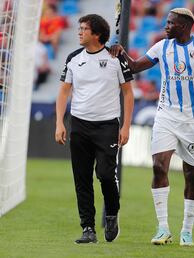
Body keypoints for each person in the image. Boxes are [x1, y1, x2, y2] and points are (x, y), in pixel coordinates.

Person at [111, 8, 194, 246]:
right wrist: (122, 54)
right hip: (165, 117)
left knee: (192, 174)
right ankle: (163, 228)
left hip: (193, 119)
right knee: (159, 166)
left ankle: (187, 231)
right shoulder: (162, 47)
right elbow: (136, 66)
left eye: (170, 23)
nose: (166, 26)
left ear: (184, 25)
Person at [55, 14, 134, 244]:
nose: (79, 32)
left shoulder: (115, 58)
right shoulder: (73, 58)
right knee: (82, 179)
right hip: (79, 125)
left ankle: (111, 214)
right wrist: (60, 122)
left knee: (105, 175)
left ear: (97, 34)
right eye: (79, 28)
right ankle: (88, 228)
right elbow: (63, 92)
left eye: (84, 29)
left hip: (107, 126)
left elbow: (128, 94)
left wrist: (126, 126)